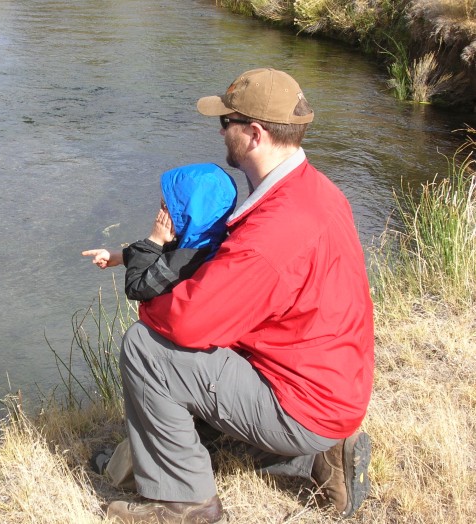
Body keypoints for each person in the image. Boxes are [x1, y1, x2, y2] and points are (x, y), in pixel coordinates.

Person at [105, 68, 375, 524]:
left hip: (305, 401)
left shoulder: (274, 229)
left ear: (254, 133)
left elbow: (188, 322)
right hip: (333, 383)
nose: (219, 130)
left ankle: (183, 503)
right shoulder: (315, 190)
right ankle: (319, 457)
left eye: (225, 122)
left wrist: (152, 287)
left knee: (145, 348)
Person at [82, 163, 237, 302]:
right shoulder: (205, 240)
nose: (160, 211)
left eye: (165, 205)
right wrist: (120, 256)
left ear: (189, 213)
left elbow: (136, 288)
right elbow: (160, 257)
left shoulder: (188, 259)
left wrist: (154, 240)